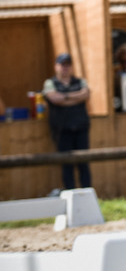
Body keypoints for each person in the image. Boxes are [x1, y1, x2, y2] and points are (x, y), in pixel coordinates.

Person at [42, 53, 92, 190]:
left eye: (68, 64)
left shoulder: (80, 81)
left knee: (84, 162)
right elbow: (54, 98)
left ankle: (87, 194)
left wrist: (64, 97)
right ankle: (70, 195)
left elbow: (86, 94)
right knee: (66, 164)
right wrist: (75, 98)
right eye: (62, 64)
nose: (65, 67)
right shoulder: (50, 83)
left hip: (81, 127)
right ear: (56, 66)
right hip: (61, 129)